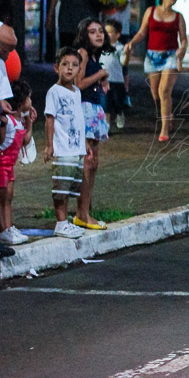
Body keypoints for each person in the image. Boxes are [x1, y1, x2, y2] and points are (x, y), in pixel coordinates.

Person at [125, 0, 188, 142]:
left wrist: (182, 50)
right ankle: (169, 115)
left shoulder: (179, 16)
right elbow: (142, 32)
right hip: (152, 56)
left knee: (164, 90)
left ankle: (164, 128)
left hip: (170, 56)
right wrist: (132, 43)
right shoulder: (151, 11)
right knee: (156, 94)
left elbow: (184, 39)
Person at [44, 47, 91, 239]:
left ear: (79, 69)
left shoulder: (76, 92)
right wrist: (49, 145)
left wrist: (85, 142)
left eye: (74, 65)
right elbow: (50, 119)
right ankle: (61, 222)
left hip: (76, 148)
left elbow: (79, 118)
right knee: (60, 188)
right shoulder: (54, 92)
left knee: (71, 185)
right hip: (63, 148)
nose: (69, 69)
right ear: (57, 68)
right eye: (65, 64)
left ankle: (66, 222)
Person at [74, 18, 112, 231]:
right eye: (92, 32)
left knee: (93, 162)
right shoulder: (83, 53)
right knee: (88, 162)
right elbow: (78, 84)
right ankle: (82, 213)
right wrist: (100, 74)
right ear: (84, 35)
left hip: (94, 110)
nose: (98, 35)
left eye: (100, 31)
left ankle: (85, 210)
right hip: (84, 109)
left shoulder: (95, 56)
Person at [0, 81, 35, 248]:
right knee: (2, 199)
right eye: (29, 98)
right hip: (2, 165)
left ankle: (8, 227)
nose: (30, 101)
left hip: (10, 167)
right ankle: (3, 229)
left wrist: (30, 122)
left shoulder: (19, 121)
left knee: (8, 199)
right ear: (21, 101)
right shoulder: (7, 121)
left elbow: (26, 140)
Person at [101, 21, 128, 130]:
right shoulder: (99, 47)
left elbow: (123, 62)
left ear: (118, 34)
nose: (107, 34)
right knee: (105, 104)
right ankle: (106, 126)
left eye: (110, 32)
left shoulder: (120, 48)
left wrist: (127, 53)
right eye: (105, 32)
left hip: (117, 81)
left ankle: (119, 113)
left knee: (118, 102)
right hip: (103, 81)